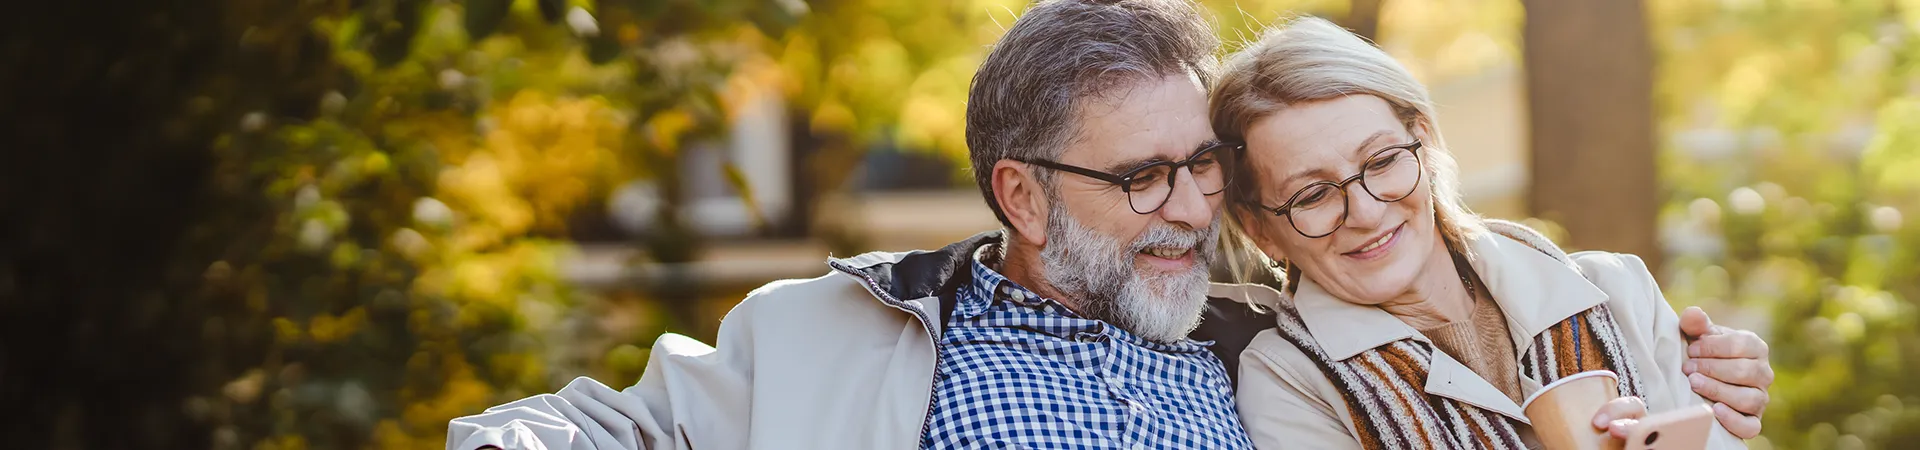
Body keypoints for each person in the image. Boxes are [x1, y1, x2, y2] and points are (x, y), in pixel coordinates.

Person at [446, 3, 1774, 449]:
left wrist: (1706, 383)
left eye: (1201, 166)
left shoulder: (1263, 344)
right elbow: (602, 427)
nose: (1191, 207)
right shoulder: (835, 332)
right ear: (1021, 193)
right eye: (1141, 178)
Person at [1210, 16, 1762, 449]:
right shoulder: (1287, 382)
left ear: (1424, 143)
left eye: (1381, 161)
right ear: (1262, 232)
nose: (1367, 212)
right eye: (1312, 195)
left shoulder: (1617, 290)